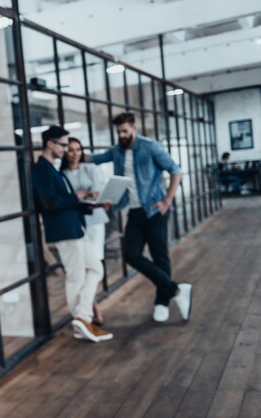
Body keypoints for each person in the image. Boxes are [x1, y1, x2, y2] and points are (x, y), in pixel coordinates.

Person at [87, 112, 192, 323]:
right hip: (134, 212)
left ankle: (161, 303)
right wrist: (70, 153)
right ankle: (176, 290)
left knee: (159, 256)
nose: (122, 135)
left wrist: (167, 200)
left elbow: (175, 170)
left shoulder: (149, 146)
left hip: (154, 210)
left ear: (134, 128)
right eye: (118, 132)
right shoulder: (117, 151)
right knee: (132, 254)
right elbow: (95, 159)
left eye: (125, 131)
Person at [31, 125, 113, 343]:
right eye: (64, 144)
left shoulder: (52, 168)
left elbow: (66, 202)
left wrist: (90, 204)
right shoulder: (41, 169)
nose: (66, 149)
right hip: (64, 231)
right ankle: (81, 322)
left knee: (96, 268)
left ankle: (82, 317)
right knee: (75, 276)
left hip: (75, 228)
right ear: (50, 144)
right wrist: (77, 196)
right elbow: (49, 203)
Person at [61, 136, 110, 325]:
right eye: (71, 150)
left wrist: (84, 196)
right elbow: (69, 199)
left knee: (95, 266)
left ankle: (88, 309)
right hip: (77, 223)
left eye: (78, 150)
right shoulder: (63, 174)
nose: (75, 154)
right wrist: (80, 197)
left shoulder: (90, 169)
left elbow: (98, 192)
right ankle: (89, 310)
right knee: (84, 268)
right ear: (65, 152)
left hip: (95, 222)